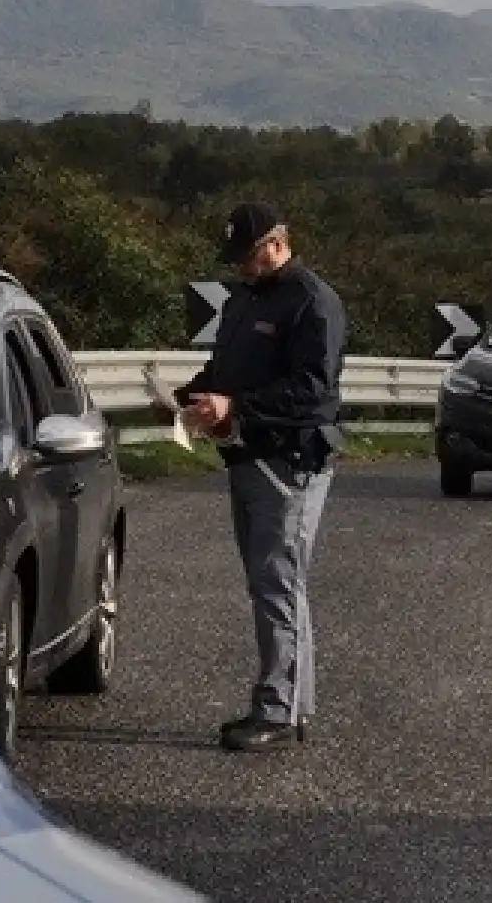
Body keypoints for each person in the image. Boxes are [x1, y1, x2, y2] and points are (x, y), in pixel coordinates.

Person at [167, 201, 348, 752]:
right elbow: (229, 370)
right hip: (248, 455)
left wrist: (235, 405)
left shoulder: (312, 303)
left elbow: (314, 395)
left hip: (288, 460)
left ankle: (277, 708)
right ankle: (292, 701)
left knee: (277, 583)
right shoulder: (245, 299)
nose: (240, 267)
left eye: (247, 256)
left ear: (277, 243)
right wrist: (194, 396)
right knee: (274, 582)